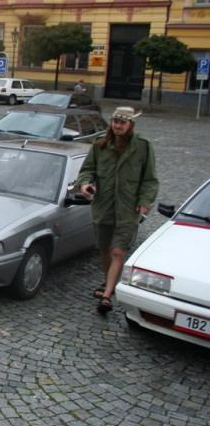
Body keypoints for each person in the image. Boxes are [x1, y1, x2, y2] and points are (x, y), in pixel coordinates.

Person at [76, 106, 158, 314]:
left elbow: (150, 180)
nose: (118, 126)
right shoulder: (100, 145)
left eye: (122, 122)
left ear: (131, 124)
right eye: (115, 121)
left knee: (118, 251)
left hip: (128, 209)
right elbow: (87, 170)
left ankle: (106, 297)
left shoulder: (143, 147)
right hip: (103, 206)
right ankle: (109, 282)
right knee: (104, 249)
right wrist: (85, 184)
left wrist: (145, 200)